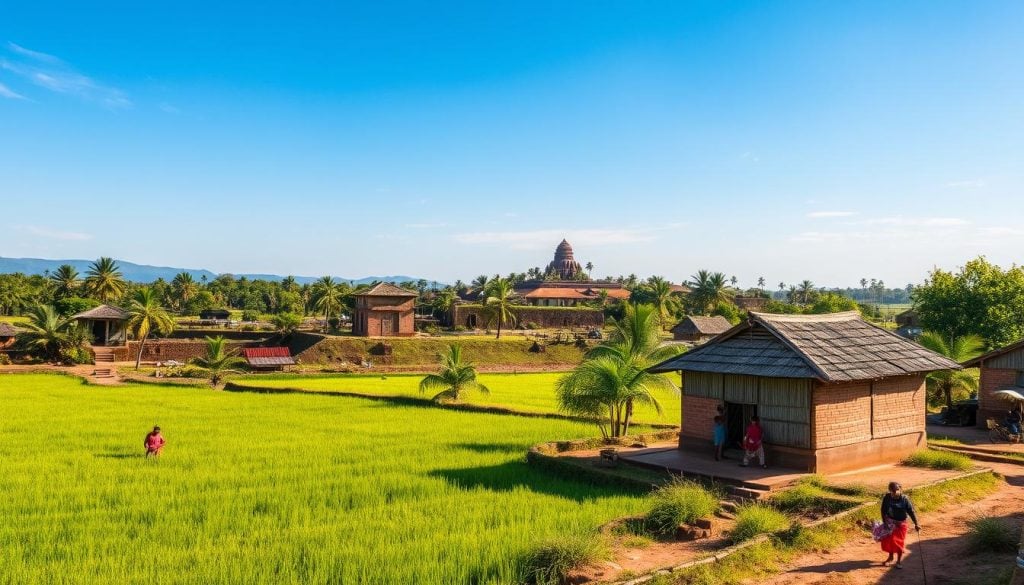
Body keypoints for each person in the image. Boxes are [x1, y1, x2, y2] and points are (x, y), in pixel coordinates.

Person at [880, 481, 919, 569]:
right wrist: (885, 522)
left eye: (897, 489)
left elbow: (911, 512)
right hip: (890, 522)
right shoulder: (887, 498)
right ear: (890, 490)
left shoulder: (905, 499)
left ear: (900, 489)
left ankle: (898, 561)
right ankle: (890, 558)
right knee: (890, 541)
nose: (895, 492)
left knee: (899, 543)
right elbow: (883, 511)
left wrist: (916, 524)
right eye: (893, 490)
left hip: (901, 524)